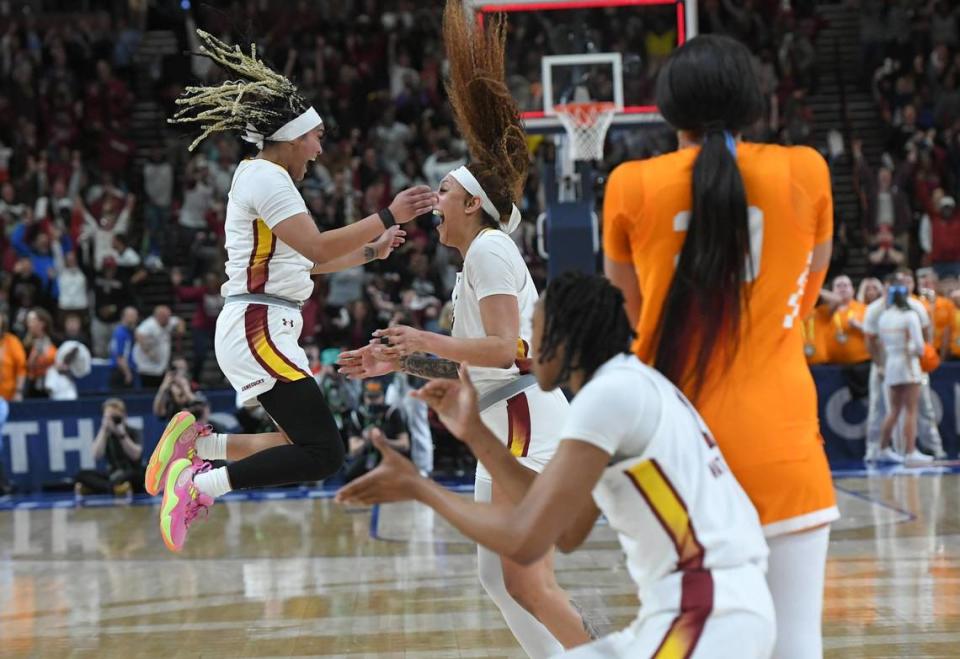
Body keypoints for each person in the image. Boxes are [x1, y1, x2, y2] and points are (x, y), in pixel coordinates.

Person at [337, 273, 776, 659]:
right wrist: (474, 432)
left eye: (537, 336)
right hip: (717, 606)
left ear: (567, 340)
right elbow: (567, 530)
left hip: (707, 612)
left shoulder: (608, 398)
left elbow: (525, 540)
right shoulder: (629, 384)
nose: (526, 352)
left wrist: (418, 487)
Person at [338, 3, 590, 654]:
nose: (436, 198)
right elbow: (466, 364)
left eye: (445, 190)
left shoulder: (491, 250)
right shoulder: (472, 262)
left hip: (526, 419)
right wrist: (397, 361)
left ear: (473, 203)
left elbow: (510, 350)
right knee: (501, 575)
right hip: (499, 421)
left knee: (522, 575)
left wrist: (422, 339)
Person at [145, 30, 435, 553]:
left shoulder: (265, 178)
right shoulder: (267, 177)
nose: (321, 149)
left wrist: (371, 251)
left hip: (261, 321)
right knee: (323, 451)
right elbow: (320, 251)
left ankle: (199, 444)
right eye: (316, 137)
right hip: (258, 324)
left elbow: (309, 261)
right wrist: (387, 214)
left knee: (301, 445)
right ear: (292, 135)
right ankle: (198, 485)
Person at [601, 35, 837, 659]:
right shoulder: (806, 169)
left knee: (686, 642)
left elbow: (633, 312)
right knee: (796, 645)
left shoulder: (629, 185)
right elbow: (806, 291)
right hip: (782, 442)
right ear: (752, 101)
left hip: (676, 453)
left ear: (667, 109)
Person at [875, 285, 929, 464]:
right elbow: (920, 346)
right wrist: (918, 352)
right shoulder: (910, 316)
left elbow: (881, 343)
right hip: (908, 363)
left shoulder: (884, 316)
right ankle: (911, 451)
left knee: (894, 410)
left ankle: (882, 448)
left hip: (891, 362)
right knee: (911, 409)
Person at [74, 398, 144, 497]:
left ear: (124, 415)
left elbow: (136, 455)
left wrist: (122, 434)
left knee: (135, 475)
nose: (112, 420)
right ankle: (116, 488)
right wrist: (104, 429)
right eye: (109, 417)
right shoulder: (106, 434)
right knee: (81, 474)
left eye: (115, 417)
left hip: (131, 472)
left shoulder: (133, 431)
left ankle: (97, 489)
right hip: (113, 474)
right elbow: (96, 456)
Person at [343, 380, 410, 483]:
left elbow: (405, 444)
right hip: (367, 455)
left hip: (390, 455)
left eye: (376, 397)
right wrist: (366, 440)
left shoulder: (392, 412)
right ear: (364, 398)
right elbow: (353, 449)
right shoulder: (357, 415)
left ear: (383, 397)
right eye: (370, 397)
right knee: (349, 475)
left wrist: (385, 442)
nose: (373, 401)